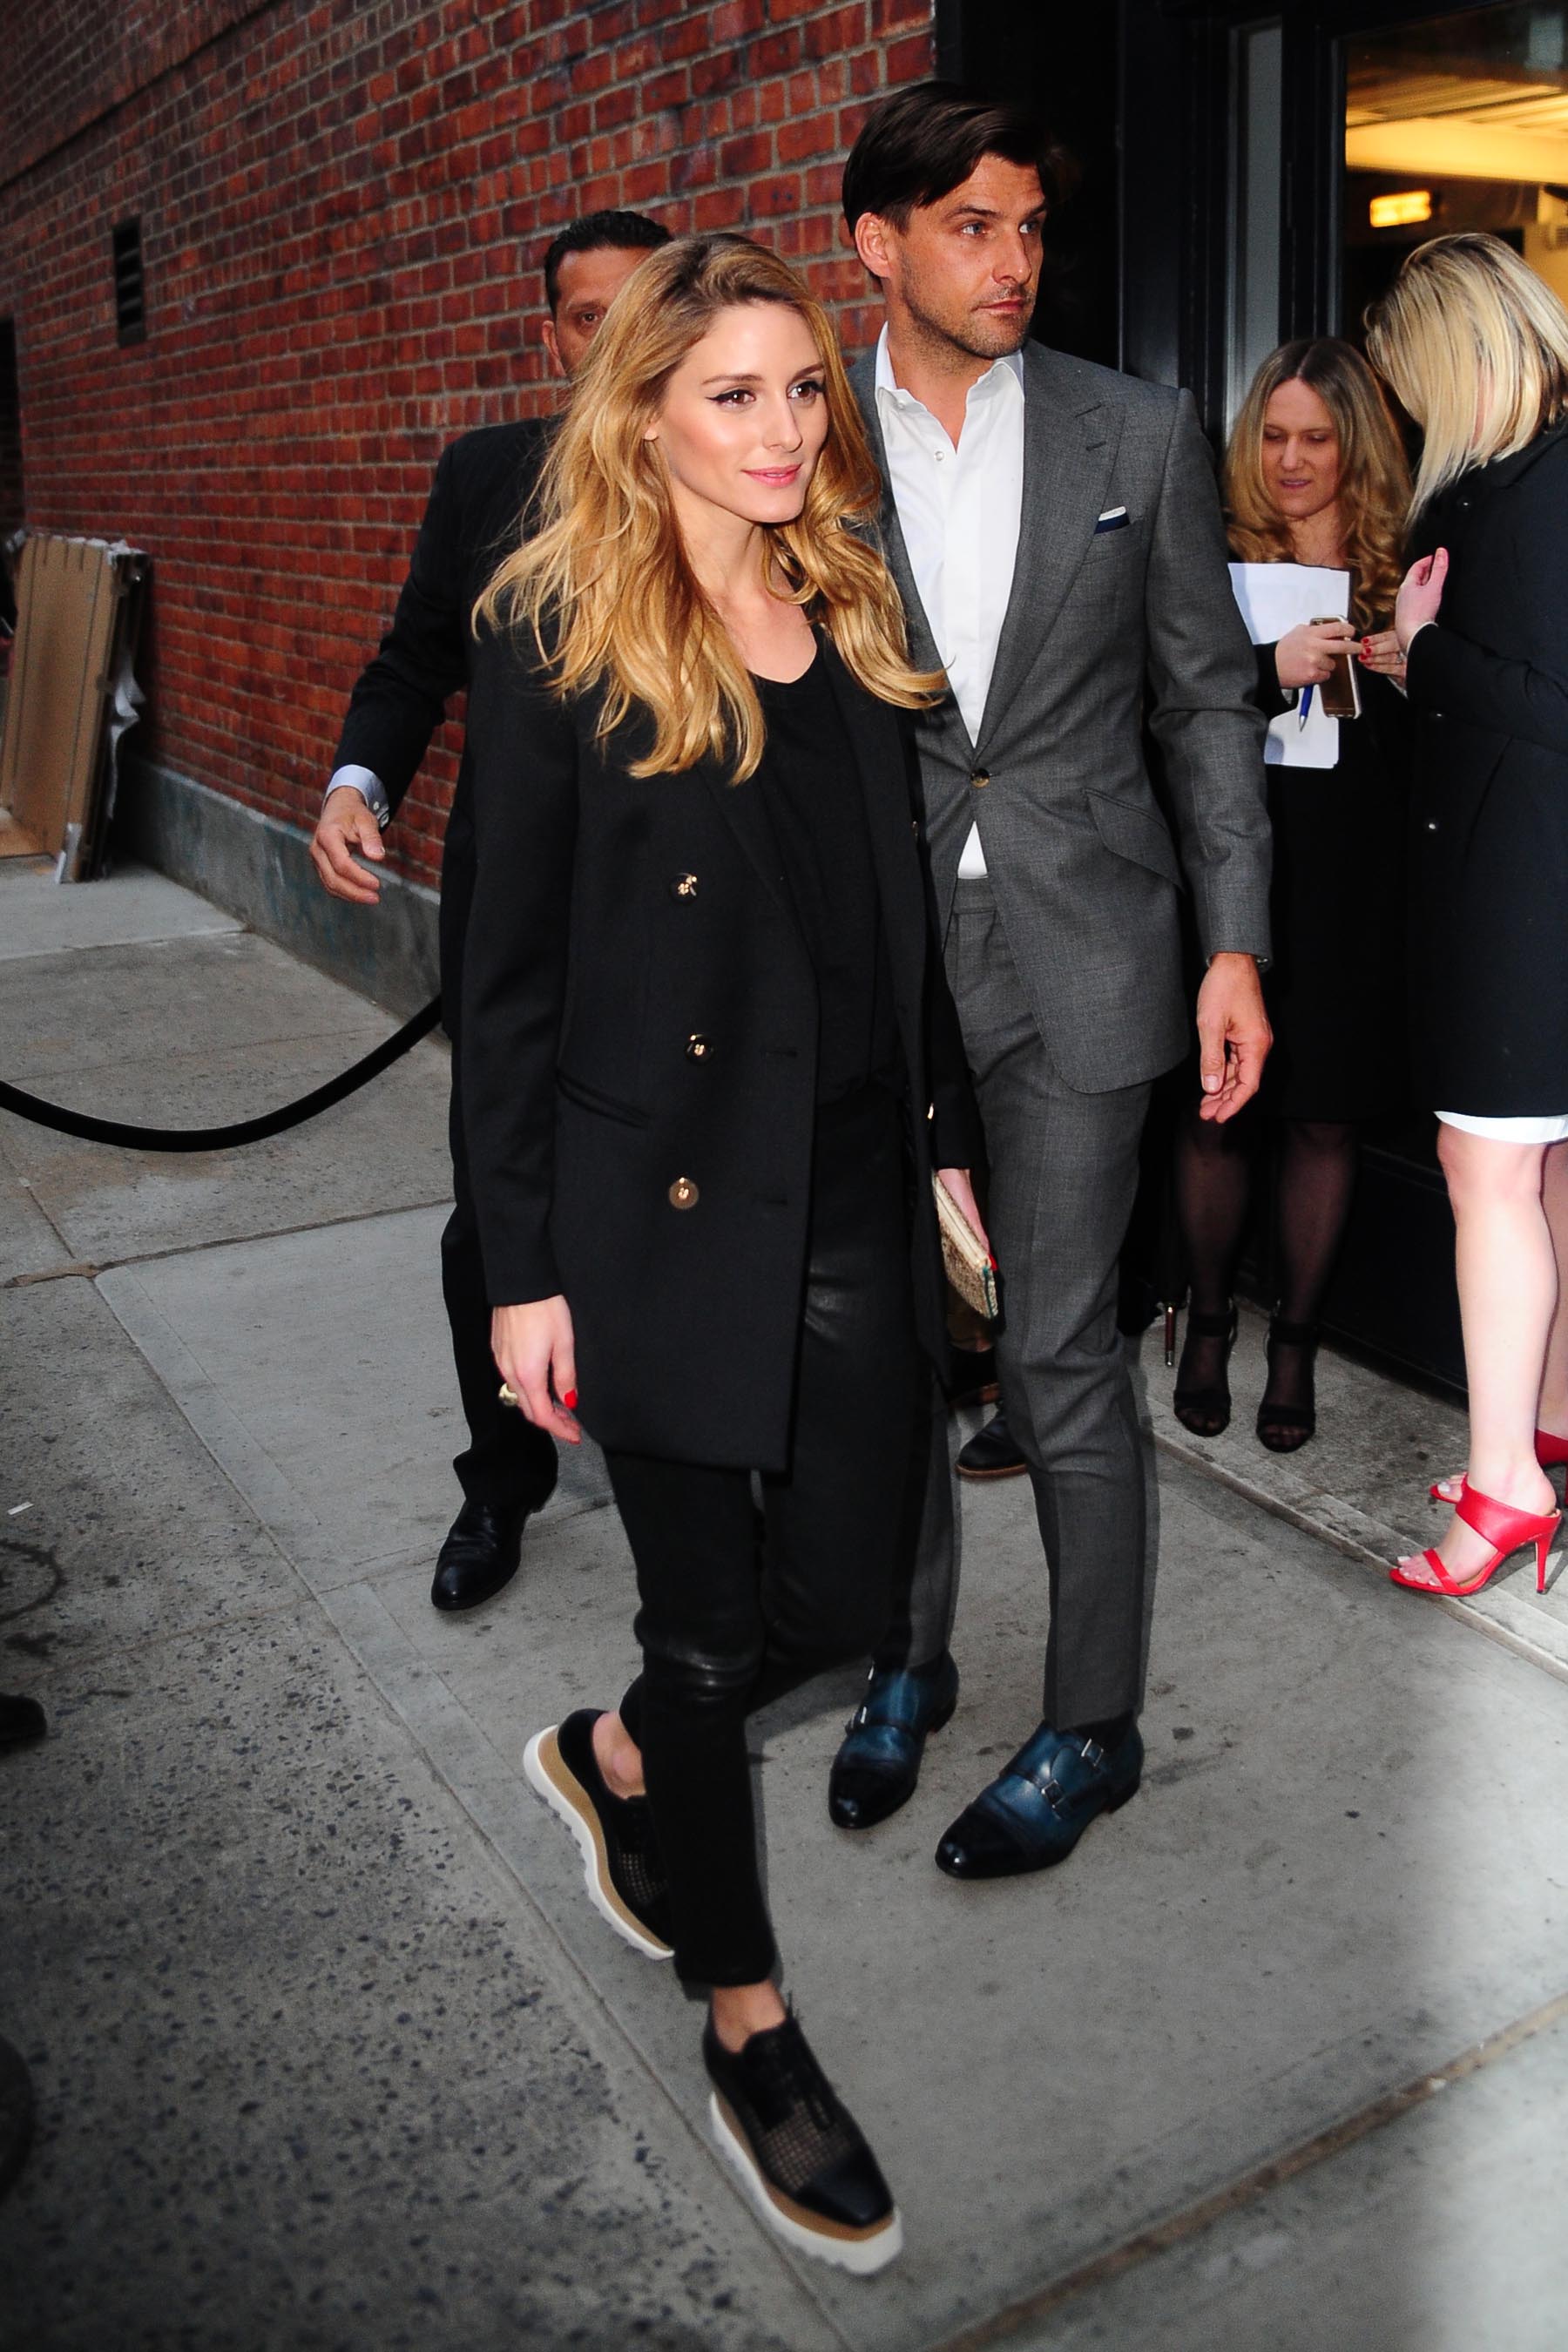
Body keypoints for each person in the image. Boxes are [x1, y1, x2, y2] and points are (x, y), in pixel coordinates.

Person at [462, 233, 985, 2272]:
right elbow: (499, 984)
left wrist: (953, 1147)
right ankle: (751, 2021)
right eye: (733, 395)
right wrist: (523, 1265)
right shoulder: (559, 635)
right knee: (705, 1631)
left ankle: (610, 1759)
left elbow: (891, 923)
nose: (781, 432)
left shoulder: (844, 598)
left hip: (855, 1183)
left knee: (843, 1594)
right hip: (653, 1207)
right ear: (646, 411)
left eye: (797, 391)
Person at [828, 82, 1273, 1869]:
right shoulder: (803, 443)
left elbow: (1205, 699)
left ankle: (1090, 1726)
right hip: (868, 955)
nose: (1015, 262)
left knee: (1059, 1346)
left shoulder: (1135, 429)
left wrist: (1235, 942)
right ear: (879, 246)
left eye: (1029, 227)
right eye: (972, 228)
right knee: (873, 1350)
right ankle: (905, 1661)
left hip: (1088, 950)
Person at [310, 209, 671, 1615]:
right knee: (498, 1220)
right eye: (590, 316)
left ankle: (689, 1500)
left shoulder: (741, 468)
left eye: (644, 307)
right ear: (554, 337)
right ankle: (501, 1480)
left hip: (685, 930)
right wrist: (358, 784)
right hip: (522, 925)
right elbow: (411, 662)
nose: (616, 336)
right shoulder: (487, 477)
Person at [1362, 233, 1568, 1600]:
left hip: (1530, 896)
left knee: (1484, 1174)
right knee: (1541, 1177)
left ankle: (1504, 1489)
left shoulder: (1541, 493)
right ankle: (1542, 1437)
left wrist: (1429, 652)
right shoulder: (1526, 484)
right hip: (1529, 884)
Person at [1171, 339, 1412, 1451]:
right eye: (1272, 436)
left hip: (1354, 874)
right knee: (1218, 1115)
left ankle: (1299, 1343)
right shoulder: (1207, 555)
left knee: (1325, 1117)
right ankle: (1212, 1320)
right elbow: (1148, 707)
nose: (1291, 460)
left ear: (1357, 447)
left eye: (1317, 437)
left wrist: (1416, 671)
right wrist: (1269, 668)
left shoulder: (1408, 566)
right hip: (1234, 863)